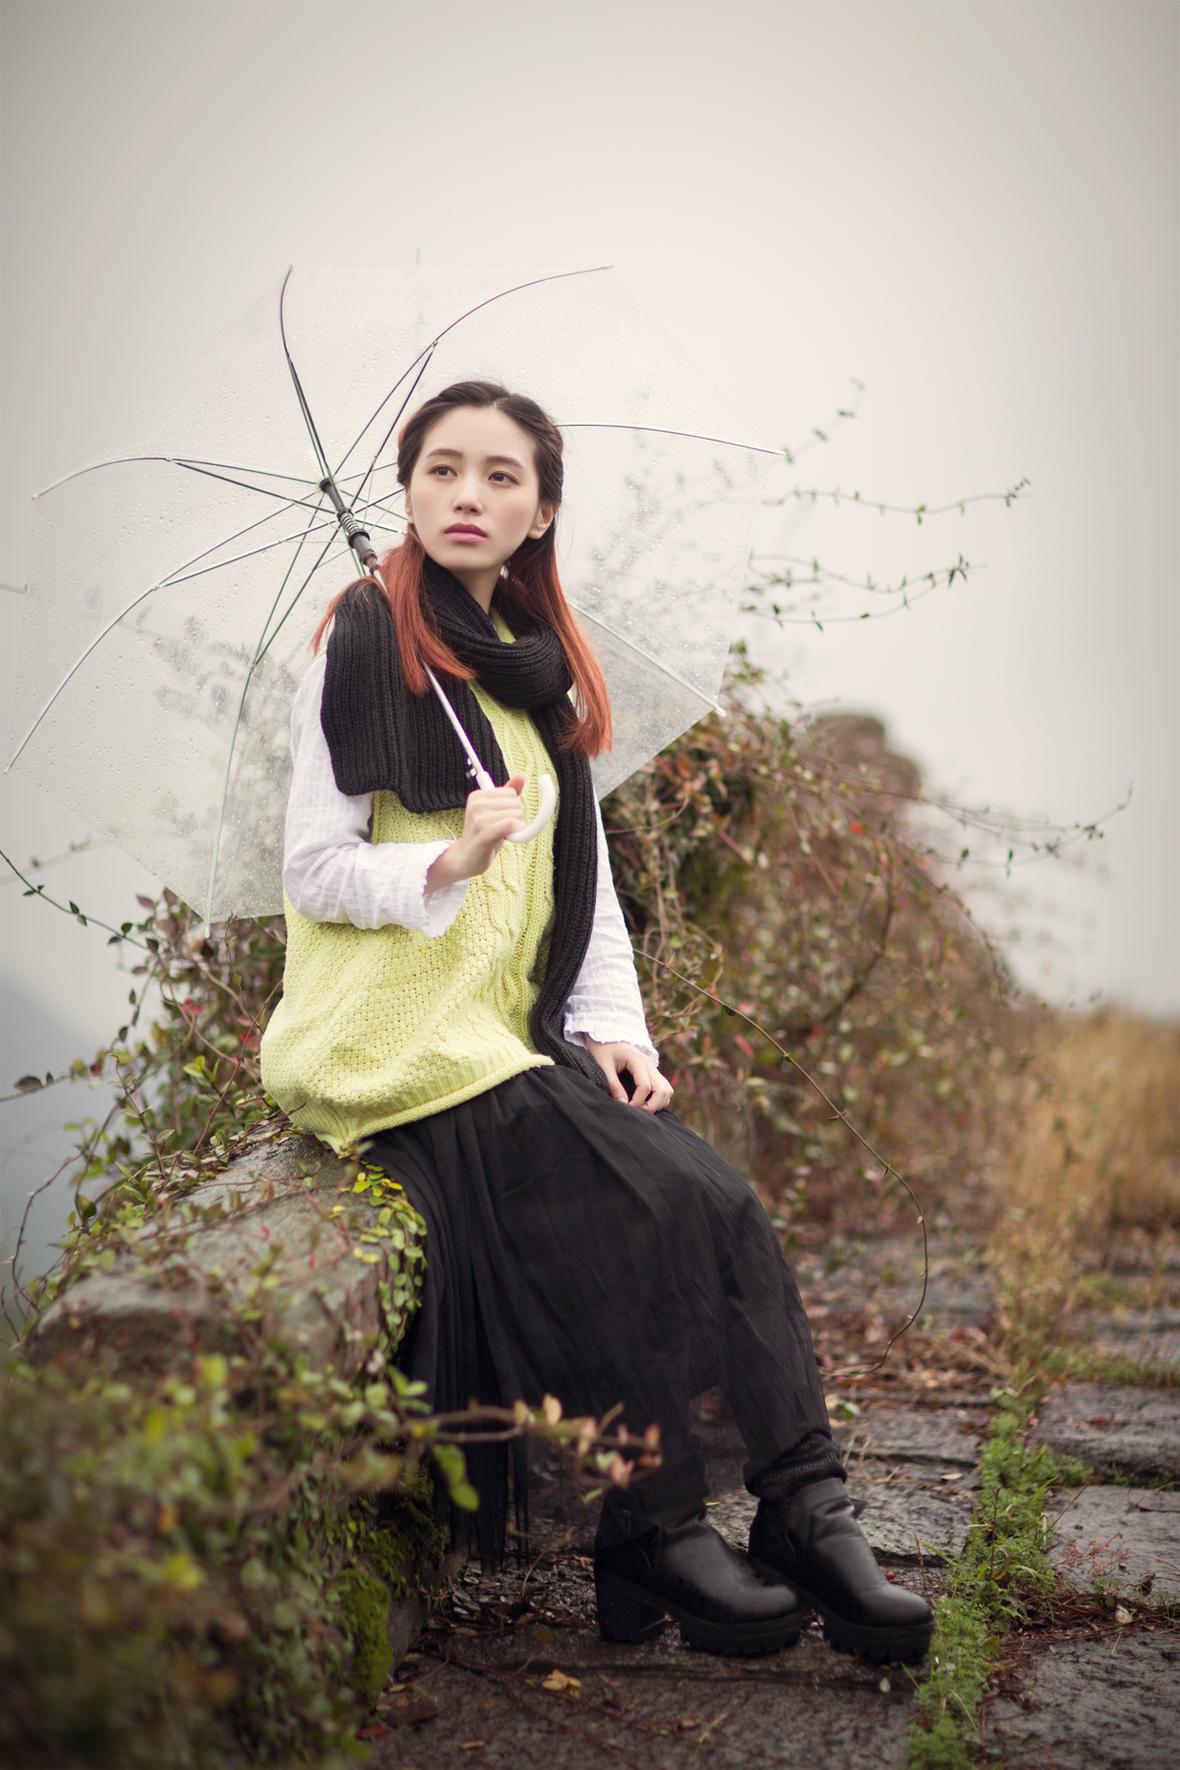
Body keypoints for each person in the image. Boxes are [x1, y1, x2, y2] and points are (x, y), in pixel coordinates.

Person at [259, 378, 933, 1665]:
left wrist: (616, 1024)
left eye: (499, 475)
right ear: (408, 491)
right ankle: (651, 1530)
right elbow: (312, 868)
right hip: (389, 1044)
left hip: (503, 1035)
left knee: (714, 1203)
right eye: (442, 469)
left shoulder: (535, 668)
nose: (467, 494)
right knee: (631, 1207)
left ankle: (806, 1513)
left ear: (540, 510)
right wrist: (448, 860)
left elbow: (587, 881)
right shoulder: (361, 641)